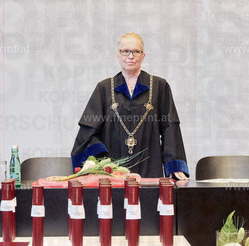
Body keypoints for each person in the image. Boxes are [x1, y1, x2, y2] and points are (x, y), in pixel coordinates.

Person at [71, 32, 189, 179]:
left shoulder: (159, 86)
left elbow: (170, 128)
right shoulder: (104, 88)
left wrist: (174, 166)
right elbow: (88, 131)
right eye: (125, 51)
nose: (130, 56)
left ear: (143, 56)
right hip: (113, 170)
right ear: (118, 55)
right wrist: (97, 162)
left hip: (149, 164)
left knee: (148, 193)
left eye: (136, 51)